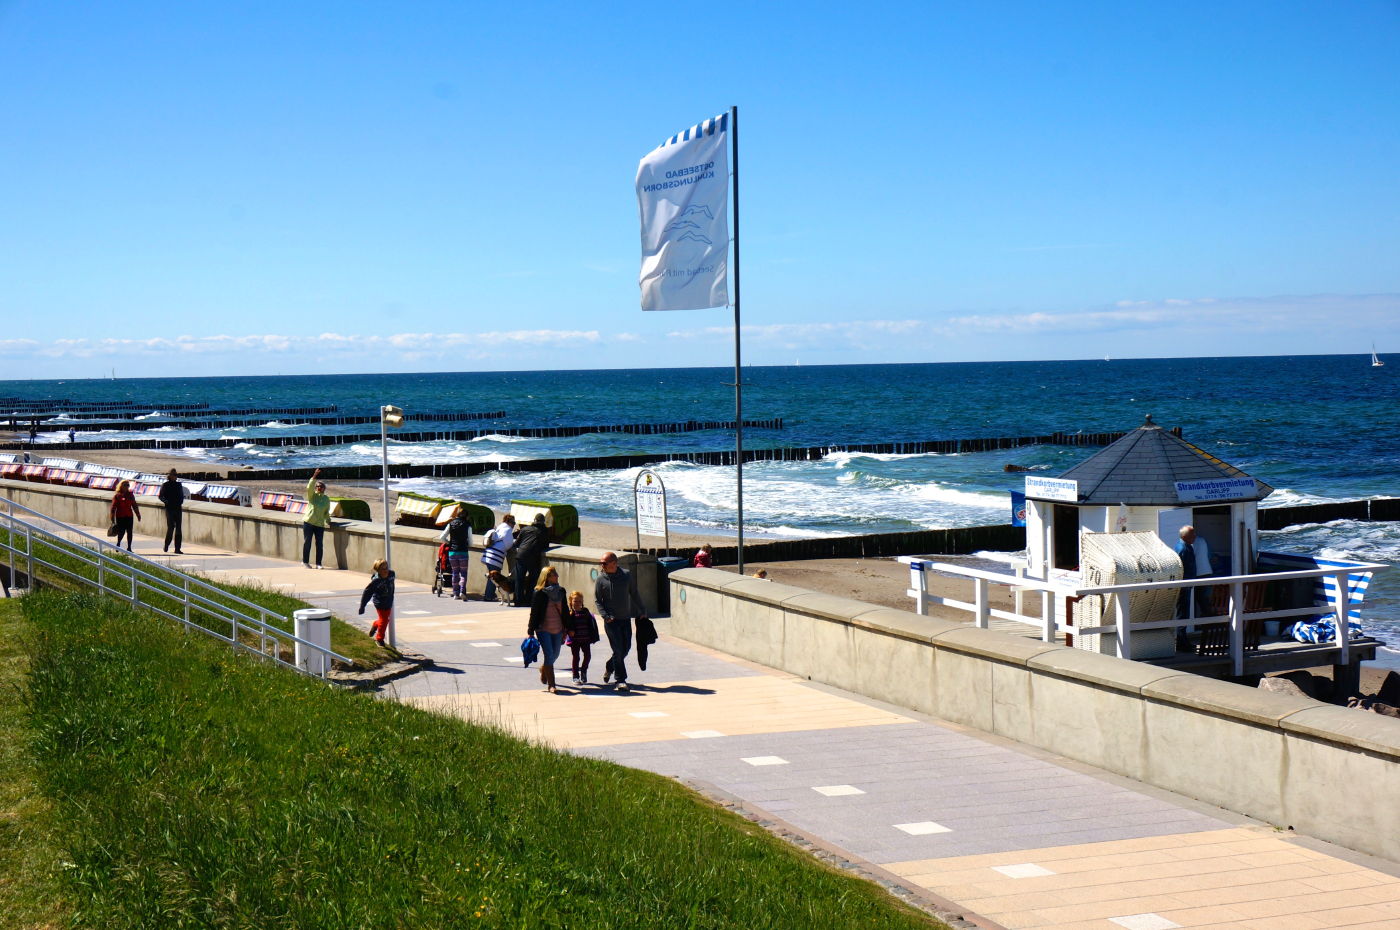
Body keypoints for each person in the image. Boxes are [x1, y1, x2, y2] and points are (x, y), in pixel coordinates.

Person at [594, 551, 648, 693]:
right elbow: (598, 601)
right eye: (601, 564)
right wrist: (605, 616)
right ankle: (620, 680)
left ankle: (609, 666)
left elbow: (634, 593)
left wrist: (642, 610)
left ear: (614, 563)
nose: (602, 566)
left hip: (625, 619)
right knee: (618, 650)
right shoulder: (600, 579)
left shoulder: (626, 575)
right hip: (611, 621)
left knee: (626, 648)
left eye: (604, 563)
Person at [527, 566, 568, 693]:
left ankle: (544, 668)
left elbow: (565, 610)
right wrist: (530, 631)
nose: (557, 576)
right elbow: (534, 613)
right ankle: (552, 685)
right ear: (546, 577)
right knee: (549, 654)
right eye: (554, 574)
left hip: (558, 628)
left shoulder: (561, 591)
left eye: (556, 574)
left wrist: (568, 627)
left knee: (555, 654)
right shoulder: (539, 593)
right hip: (543, 628)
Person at [1175, 524, 1214, 621]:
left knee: (1199, 601)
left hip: (1198, 574)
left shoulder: (1189, 545)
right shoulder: (1203, 540)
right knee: (1204, 601)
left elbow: (1191, 560)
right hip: (1208, 572)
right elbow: (1209, 555)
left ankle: (1207, 624)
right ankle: (1209, 624)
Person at [510, 513, 549, 608]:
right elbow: (545, 545)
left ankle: (518, 601)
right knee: (533, 579)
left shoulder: (525, 529)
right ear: (543, 522)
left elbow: (517, 543)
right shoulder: (544, 531)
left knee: (519, 579)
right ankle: (528, 600)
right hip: (534, 557)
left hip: (521, 555)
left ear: (534, 520)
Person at [565, 589, 600, 685]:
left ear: (582, 602)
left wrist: (592, 635)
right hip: (575, 640)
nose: (577, 603)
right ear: (571, 601)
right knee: (576, 657)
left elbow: (590, 624)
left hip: (585, 639)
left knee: (588, 656)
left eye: (579, 601)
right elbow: (567, 625)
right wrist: (568, 632)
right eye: (575, 601)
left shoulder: (585, 611)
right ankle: (575, 676)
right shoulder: (570, 613)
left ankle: (583, 671)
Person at [357, 558, 396, 645]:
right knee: (384, 620)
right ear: (378, 570)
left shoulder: (392, 574)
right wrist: (362, 606)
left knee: (384, 620)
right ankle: (379, 639)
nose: (386, 570)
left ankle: (375, 624)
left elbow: (392, 586)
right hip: (380, 602)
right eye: (383, 569)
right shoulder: (376, 581)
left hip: (389, 601)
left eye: (387, 567)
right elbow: (367, 593)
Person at [438, 505, 473, 600]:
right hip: (463, 552)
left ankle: (455, 593)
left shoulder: (451, 524)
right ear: (466, 516)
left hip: (452, 552)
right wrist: (467, 544)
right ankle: (462, 591)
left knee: (455, 573)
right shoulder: (467, 525)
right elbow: (471, 541)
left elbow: (441, 537)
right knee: (464, 573)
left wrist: (449, 543)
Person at [481, 513, 516, 602]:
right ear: (510, 522)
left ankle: (490, 594)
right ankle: (489, 596)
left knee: (491, 575)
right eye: (514, 523)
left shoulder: (500, 527)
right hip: (495, 557)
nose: (514, 525)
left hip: (488, 553)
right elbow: (509, 545)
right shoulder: (508, 530)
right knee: (494, 577)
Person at [302, 468, 331, 569]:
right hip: (309, 522)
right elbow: (309, 487)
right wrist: (315, 475)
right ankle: (305, 561)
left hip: (319, 524)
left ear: (324, 488)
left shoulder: (326, 499)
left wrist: (328, 521)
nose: (319, 488)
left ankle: (319, 563)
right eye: (317, 486)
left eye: (321, 486)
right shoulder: (312, 496)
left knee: (319, 544)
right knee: (307, 542)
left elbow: (326, 512)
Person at [158, 469, 186, 554]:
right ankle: (167, 544)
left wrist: (180, 502)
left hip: (178, 508)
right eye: (174, 475)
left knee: (178, 528)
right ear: (170, 476)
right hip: (169, 509)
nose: (175, 476)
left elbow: (181, 495)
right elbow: (161, 496)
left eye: (176, 475)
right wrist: (167, 502)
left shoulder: (178, 485)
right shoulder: (165, 485)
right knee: (170, 527)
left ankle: (177, 549)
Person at [109, 479, 141, 551]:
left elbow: (134, 505)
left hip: (129, 516)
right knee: (121, 532)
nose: (127, 487)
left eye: (128, 485)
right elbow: (113, 508)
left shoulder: (130, 495)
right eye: (125, 485)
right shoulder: (117, 496)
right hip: (120, 517)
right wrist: (112, 518)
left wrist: (138, 515)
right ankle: (118, 543)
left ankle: (129, 547)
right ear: (121, 486)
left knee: (130, 532)